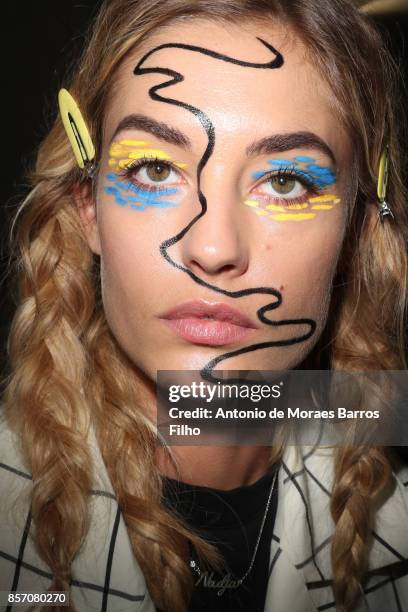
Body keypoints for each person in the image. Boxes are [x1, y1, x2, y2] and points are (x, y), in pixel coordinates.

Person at [1, 0, 407, 611]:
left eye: (285, 181)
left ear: (355, 231)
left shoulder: (392, 515)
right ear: (88, 208)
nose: (213, 249)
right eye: (156, 169)